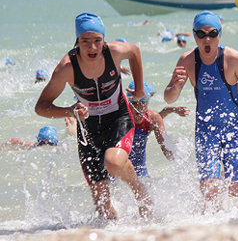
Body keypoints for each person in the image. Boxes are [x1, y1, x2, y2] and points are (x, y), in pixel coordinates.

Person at [34, 12, 152, 220]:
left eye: (97, 40)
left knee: (113, 163)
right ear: (77, 41)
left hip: (118, 118)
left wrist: (140, 89)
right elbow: (41, 107)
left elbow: (134, 51)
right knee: (104, 212)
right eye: (85, 41)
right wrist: (70, 111)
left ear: (104, 41)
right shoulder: (66, 68)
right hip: (87, 130)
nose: (92, 47)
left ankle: (140, 192)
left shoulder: (114, 52)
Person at [164, 10, 238, 210]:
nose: (207, 39)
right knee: (210, 187)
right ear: (194, 36)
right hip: (206, 130)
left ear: (219, 35)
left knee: (236, 191)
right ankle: (211, 229)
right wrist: (176, 87)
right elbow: (168, 97)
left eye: (212, 34)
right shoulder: (187, 60)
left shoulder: (232, 58)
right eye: (201, 34)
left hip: (235, 129)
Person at [126, 81, 180, 177]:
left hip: (141, 173)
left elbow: (166, 151)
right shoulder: (122, 117)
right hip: (120, 172)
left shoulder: (152, 117)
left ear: (147, 103)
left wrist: (175, 149)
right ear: (128, 103)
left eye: (142, 103)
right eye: (134, 103)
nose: (138, 107)